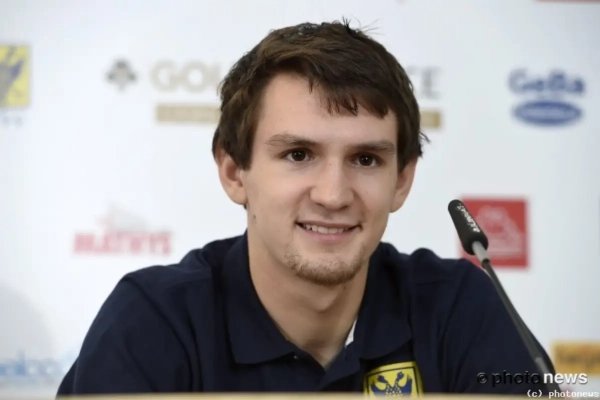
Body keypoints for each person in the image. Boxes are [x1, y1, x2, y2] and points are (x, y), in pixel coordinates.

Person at [57, 19, 555, 395]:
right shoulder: (155, 319)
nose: (333, 195)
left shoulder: (460, 308)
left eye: (365, 159)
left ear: (402, 181)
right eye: (298, 155)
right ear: (234, 172)